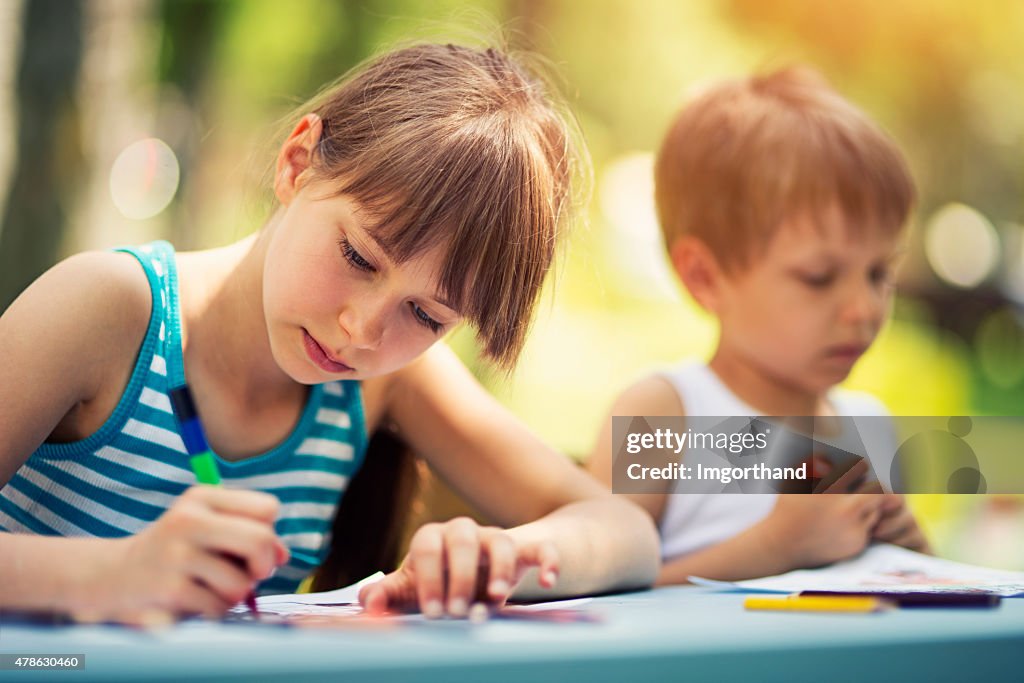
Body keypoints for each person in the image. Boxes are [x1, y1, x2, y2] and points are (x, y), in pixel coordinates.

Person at [0, 43, 659, 624]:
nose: (363, 331)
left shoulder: (386, 382)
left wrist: (504, 558)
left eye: (427, 316)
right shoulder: (111, 310)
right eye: (358, 258)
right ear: (297, 162)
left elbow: (625, 528)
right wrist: (115, 572)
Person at [586, 66, 928, 585]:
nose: (864, 309)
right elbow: (596, 588)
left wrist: (910, 551)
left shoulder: (871, 428)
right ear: (705, 277)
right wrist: (776, 547)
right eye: (819, 277)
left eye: (880, 273)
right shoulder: (665, 415)